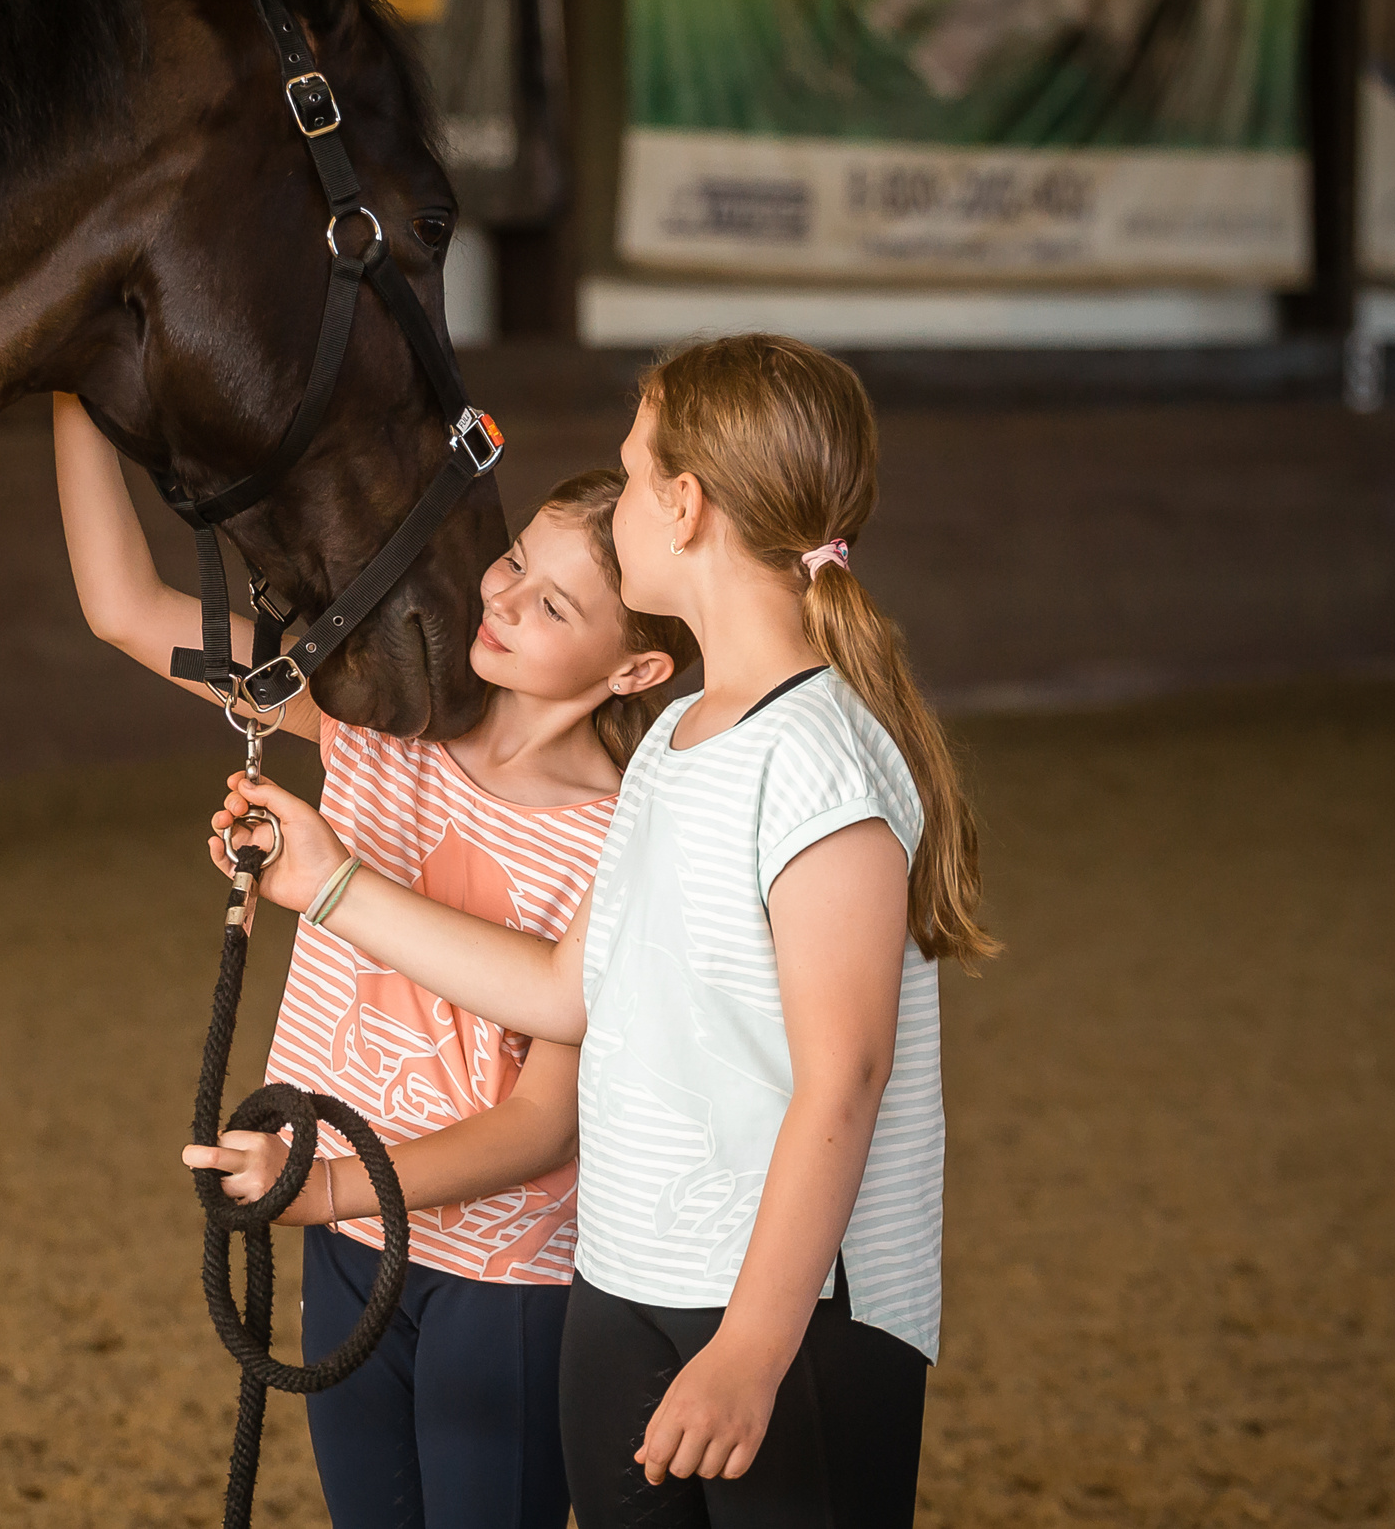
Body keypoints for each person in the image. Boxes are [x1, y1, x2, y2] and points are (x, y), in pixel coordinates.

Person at [209, 334, 996, 1529]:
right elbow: (566, 994)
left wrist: (751, 1347)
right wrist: (327, 883)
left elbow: (845, 1080)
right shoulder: (679, 741)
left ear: (681, 508)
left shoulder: (819, 762)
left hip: (785, 1318)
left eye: (630, 477)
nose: (619, 499)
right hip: (625, 1286)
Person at [52, 391, 696, 1529]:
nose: (498, 598)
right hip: (344, 1240)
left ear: (635, 671)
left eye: (552, 604)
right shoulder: (378, 718)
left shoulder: (625, 836)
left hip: (503, 1282)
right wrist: (73, 390)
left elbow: (547, 1122)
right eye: (511, 561)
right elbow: (123, 607)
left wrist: (334, 1185)